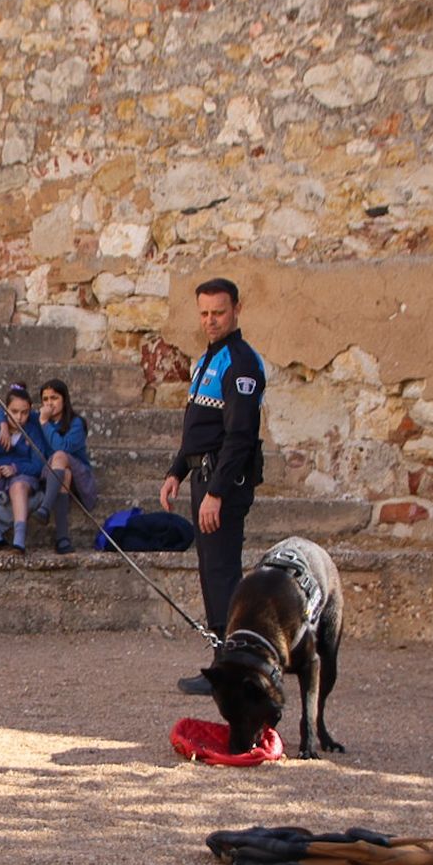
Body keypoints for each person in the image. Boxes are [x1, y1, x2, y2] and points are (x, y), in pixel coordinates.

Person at [159, 277, 267, 696]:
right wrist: (176, 471)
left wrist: (217, 493)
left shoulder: (240, 362)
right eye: (204, 313)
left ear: (236, 309)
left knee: (222, 571)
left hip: (222, 482)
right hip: (202, 475)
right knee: (211, 571)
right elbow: (198, 428)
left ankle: (234, 665)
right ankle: (225, 659)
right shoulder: (209, 358)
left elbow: (239, 435)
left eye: (218, 312)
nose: (210, 320)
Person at [0, 383, 45, 553]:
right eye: (14, 412)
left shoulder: (33, 432)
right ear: (5, 411)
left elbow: (38, 464)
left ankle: (19, 539)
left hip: (22, 476)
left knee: (18, 487)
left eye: (24, 412)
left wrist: (16, 468)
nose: (19, 417)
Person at [36, 378, 96, 556]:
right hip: (54, 474)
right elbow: (10, 406)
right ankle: (62, 539)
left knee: (61, 457)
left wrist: (45, 424)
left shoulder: (76, 423)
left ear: (64, 399)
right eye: (45, 399)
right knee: (65, 475)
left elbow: (62, 448)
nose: (49, 403)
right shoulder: (38, 418)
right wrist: (1, 423)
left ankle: (45, 508)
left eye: (54, 398)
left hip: (80, 476)